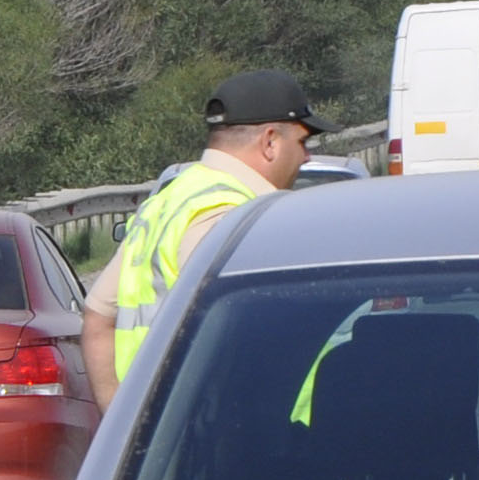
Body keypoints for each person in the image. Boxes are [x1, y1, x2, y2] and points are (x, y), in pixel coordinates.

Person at [81, 68, 317, 400]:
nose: (307, 156)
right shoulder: (232, 216)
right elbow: (241, 340)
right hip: (225, 438)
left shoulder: (168, 201)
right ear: (270, 142)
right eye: (303, 142)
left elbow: (97, 320)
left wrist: (121, 433)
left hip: (166, 434)